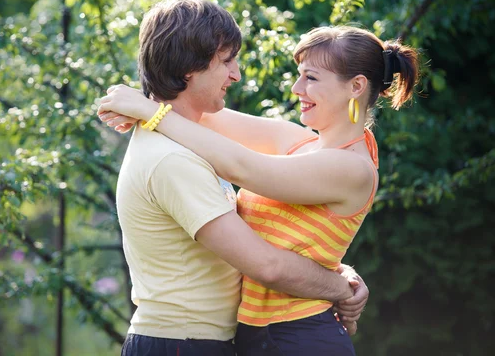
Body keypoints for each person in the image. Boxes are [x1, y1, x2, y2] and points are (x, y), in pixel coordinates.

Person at [99, 18, 419, 355]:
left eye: (310, 78)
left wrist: (147, 110)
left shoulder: (352, 167)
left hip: (302, 337)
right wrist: (140, 102)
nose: (296, 89)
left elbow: (242, 166)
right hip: (259, 338)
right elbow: (198, 113)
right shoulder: (300, 143)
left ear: (355, 87)